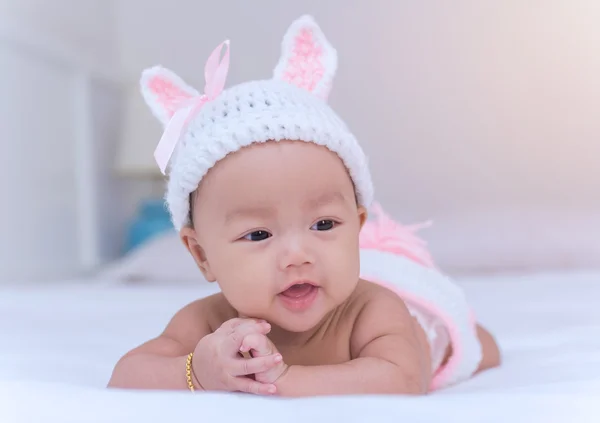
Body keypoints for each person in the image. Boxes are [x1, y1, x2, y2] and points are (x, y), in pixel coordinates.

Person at [108, 15, 500, 397]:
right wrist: (196, 371)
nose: (298, 255)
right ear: (201, 254)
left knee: (476, 346)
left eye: (325, 224)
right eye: (259, 234)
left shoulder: (373, 310)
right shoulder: (207, 322)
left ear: (358, 224)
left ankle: (469, 331)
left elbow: (402, 379)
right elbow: (126, 374)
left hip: (418, 320)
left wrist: (282, 379)